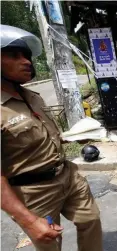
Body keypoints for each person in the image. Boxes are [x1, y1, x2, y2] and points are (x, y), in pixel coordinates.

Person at [1, 25, 103, 251]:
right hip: (34, 192)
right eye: (14, 56)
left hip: (68, 175)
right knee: (50, 242)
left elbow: (44, 136)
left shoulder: (33, 97)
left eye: (27, 55)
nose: (26, 61)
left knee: (90, 219)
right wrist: (28, 220)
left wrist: (75, 136)